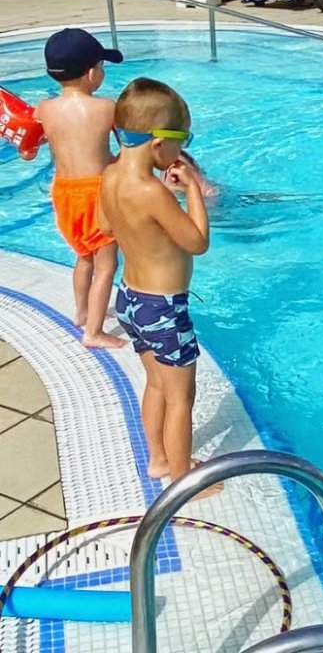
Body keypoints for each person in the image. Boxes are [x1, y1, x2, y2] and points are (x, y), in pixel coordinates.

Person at [99, 78, 215, 493]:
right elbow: (197, 242)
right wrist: (192, 190)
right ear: (159, 144)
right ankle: (182, 481)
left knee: (155, 384)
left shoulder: (111, 176)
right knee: (181, 397)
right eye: (182, 142)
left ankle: (159, 459)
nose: (181, 154)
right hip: (164, 309)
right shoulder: (151, 191)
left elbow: (105, 226)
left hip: (130, 299)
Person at [35, 28, 126, 350]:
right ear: (91, 74)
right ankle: (94, 332)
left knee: (84, 256)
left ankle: (82, 312)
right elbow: (128, 148)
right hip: (96, 194)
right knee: (107, 264)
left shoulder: (44, 109)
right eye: (102, 67)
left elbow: (30, 146)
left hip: (63, 192)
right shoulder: (106, 108)